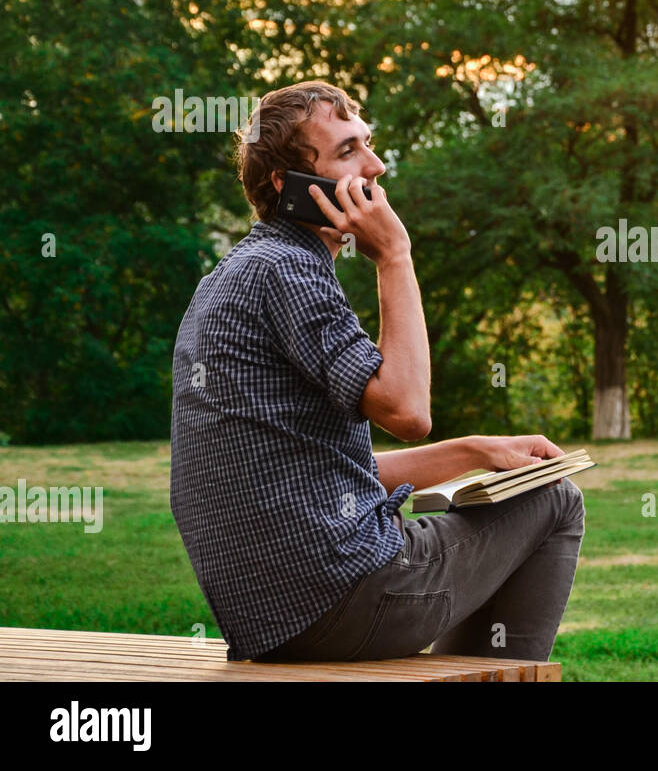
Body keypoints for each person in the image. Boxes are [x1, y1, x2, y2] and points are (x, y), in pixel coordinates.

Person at [169, 80, 585, 663]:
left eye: (368, 143)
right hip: (348, 595)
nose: (376, 165)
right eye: (347, 152)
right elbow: (409, 411)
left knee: (518, 488)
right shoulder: (288, 271)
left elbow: (322, 473)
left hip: (274, 617)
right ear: (290, 189)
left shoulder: (235, 275)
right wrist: (395, 256)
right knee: (556, 500)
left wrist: (476, 451)